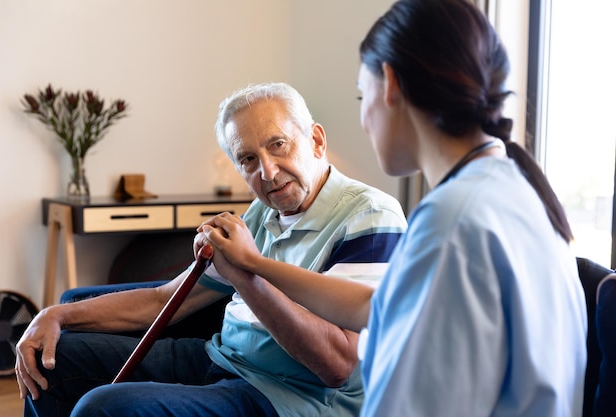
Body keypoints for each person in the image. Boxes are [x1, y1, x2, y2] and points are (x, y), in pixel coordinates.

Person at [196, 1, 588, 416]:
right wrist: (255, 265)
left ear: (390, 84)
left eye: (363, 96)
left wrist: (251, 269)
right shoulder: (508, 192)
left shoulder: (453, 220)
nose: (364, 119)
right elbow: (374, 307)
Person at [14, 82, 407, 417]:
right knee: (53, 358)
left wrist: (245, 273)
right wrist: (55, 315)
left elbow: (336, 365)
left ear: (316, 140)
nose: (267, 172)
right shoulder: (262, 211)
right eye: (248, 159)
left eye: (279, 145)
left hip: (288, 395)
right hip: (220, 358)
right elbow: (164, 300)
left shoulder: (370, 215)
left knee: (104, 407)